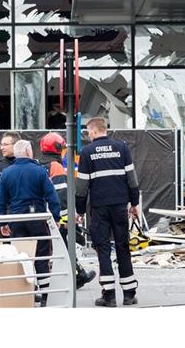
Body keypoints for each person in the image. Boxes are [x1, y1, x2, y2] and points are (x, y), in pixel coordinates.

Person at [76, 117, 140, 307]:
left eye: (88, 132)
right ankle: (129, 294)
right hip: (120, 206)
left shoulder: (87, 152)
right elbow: (132, 179)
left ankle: (109, 295)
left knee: (102, 249)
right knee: (123, 247)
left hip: (99, 208)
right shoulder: (122, 147)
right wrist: (134, 203)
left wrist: (79, 210)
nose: (88, 136)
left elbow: (82, 186)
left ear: (94, 131)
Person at [0, 140, 61, 307]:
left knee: (22, 257)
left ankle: (26, 296)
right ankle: (45, 295)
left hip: (16, 220)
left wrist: (2, 223)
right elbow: (52, 196)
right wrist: (56, 217)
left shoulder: (6, 173)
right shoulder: (39, 171)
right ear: (28, 152)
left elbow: (0, 201)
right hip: (37, 219)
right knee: (41, 256)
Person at [39, 132, 97, 290]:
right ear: (58, 148)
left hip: (43, 216)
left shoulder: (40, 164)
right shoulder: (56, 167)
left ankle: (75, 274)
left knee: (50, 249)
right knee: (65, 246)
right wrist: (65, 220)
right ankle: (77, 276)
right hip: (56, 218)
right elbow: (62, 196)